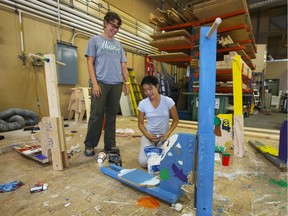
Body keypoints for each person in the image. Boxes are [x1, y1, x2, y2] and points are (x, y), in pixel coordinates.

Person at [84, 11, 130, 157]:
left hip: (116, 84)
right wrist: (95, 83)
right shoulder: (95, 40)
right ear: (105, 23)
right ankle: (90, 145)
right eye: (112, 25)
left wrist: (126, 82)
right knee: (96, 115)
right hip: (101, 83)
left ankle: (110, 145)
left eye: (117, 27)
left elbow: (123, 65)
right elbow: (90, 62)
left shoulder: (119, 45)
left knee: (111, 116)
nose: (115, 29)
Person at [137, 76, 179, 168]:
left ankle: (157, 152)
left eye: (150, 88)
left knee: (166, 161)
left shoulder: (168, 101)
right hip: (149, 136)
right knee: (144, 163)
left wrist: (167, 134)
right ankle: (153, 152)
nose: (148, 92)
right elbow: (140, 123)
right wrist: (147, 135)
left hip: (164, 137)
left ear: (157, 86)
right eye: (145, 90)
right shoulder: (143, 104)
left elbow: (176, 120)